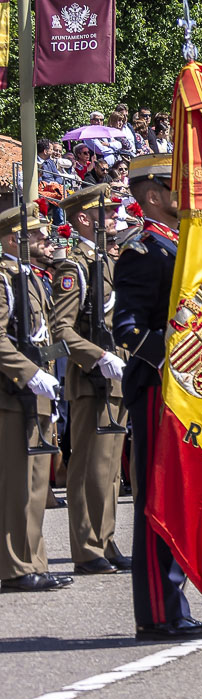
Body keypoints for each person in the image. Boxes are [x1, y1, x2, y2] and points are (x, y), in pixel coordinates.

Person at [113, 152, 202, 636]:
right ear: (153, 196)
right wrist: (177, 355)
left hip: (186, 388)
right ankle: (158, 611)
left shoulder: (183, 243)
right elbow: (127, 328)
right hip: (158, 387)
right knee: (158, 497)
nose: (188, 195)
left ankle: (174, 603)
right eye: (177, 187)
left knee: (181, 493)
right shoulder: (144, 249)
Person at [52, 185, 132, 574]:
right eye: (108, 212)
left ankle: (105, 538)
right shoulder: (75, 267)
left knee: (110, 470)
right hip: (90, 380)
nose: (115, 217)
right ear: (84, 218)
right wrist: (98, 356)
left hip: (117, 378)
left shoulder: (108, 261)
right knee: (88, 468)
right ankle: (86, 548)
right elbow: (60, 329)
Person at [0, 208, 71, 594]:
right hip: (13, 395)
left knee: (36, 484)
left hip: (37, 392)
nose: (47, 241)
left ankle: (34, 562)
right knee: (16, 485)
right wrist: (30, 374)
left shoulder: (32, 278)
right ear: (14, 240)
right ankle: (14, 566)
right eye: (38, 236)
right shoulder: (3, 279)